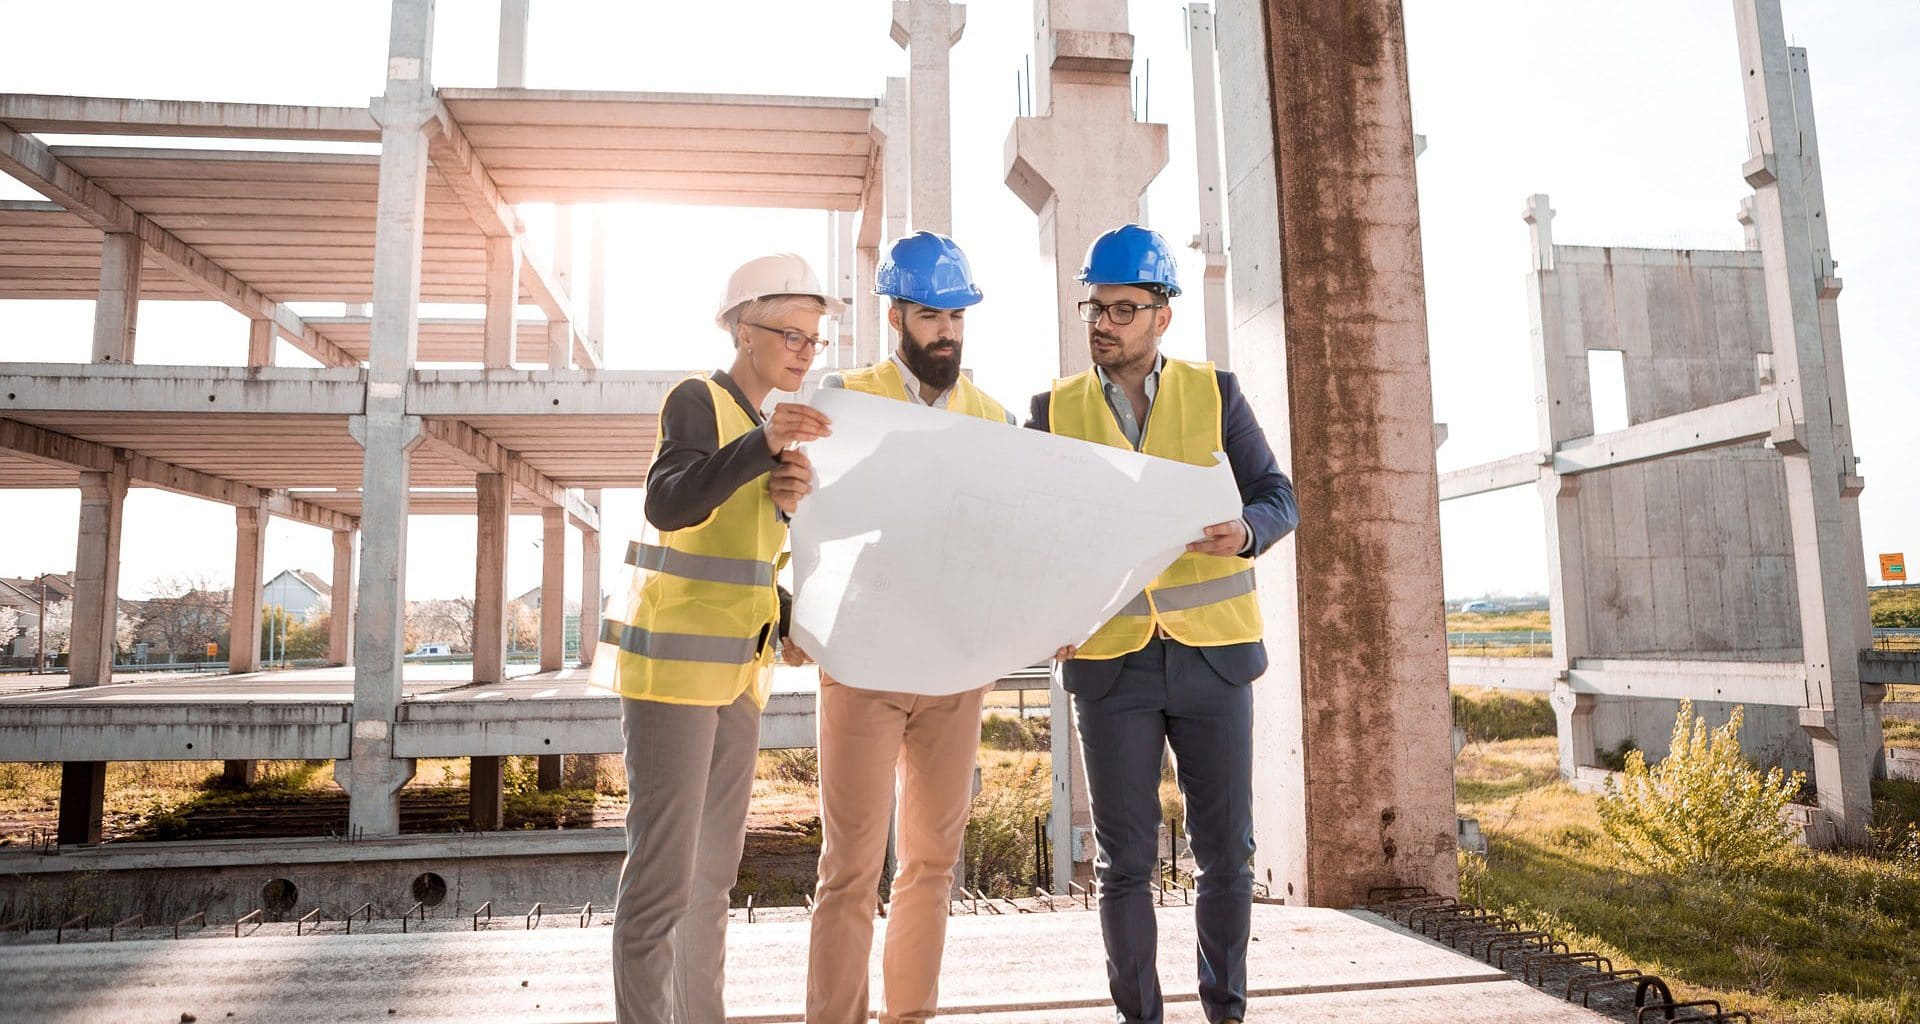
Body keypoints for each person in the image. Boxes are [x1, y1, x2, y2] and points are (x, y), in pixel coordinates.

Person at [1025, 225, 1298, 1024]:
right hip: (1111, 665)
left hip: (1213, 661)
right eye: (1095, 308)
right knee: (1123, 863)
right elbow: (1028, 533)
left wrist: (1244, 531)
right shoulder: (1054, 409)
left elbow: (1277, 496)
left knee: (1225, 856)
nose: (1103, 323)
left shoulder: (1216, 394)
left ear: (1161, 316)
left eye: (1122, 308)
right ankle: (1139, 1018)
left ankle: (1226, 1012)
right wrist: (1045, 611)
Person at [594, 252, 838, 1024]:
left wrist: (791, 613)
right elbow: (670, 504)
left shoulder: (769, 435)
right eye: (789, 333)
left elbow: (745, 563)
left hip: (737, 676)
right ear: (741, 328)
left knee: (712, 880)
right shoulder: (699, 400)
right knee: (663, 881)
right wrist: (760, 451)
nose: (803, 349)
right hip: (671, 676)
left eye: (814, 338)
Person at [804, 231, 1016, 1024]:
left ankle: (911, 1017)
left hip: (954, 670)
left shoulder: (991, 415)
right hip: (862, 662)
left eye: (958, 316)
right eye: (932, 315)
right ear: (898, 314)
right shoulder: (847, 398)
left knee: (930, 865)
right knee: (850, 867)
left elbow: (1009, 537)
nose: (948, 332)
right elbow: (810, 521)